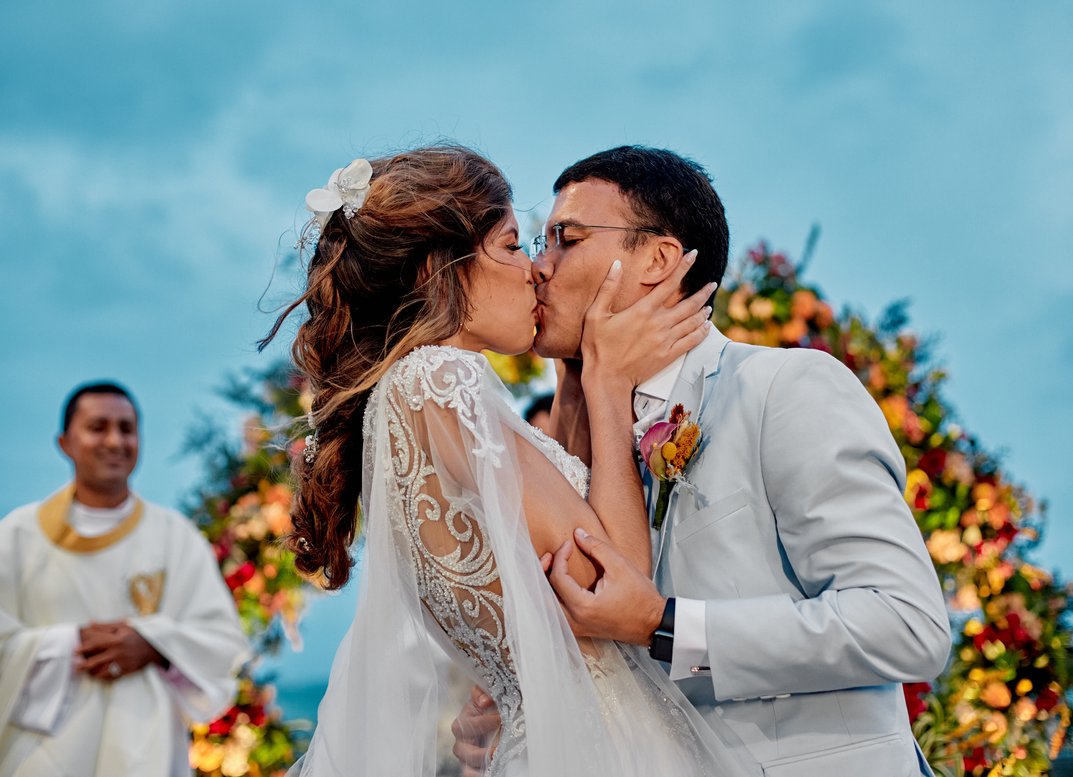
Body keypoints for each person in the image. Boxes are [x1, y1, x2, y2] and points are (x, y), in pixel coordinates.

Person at [455, 146, 952, 776]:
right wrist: (516, 707)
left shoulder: (782, 389)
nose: (538, 268)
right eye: (535, 244)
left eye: (564, 238)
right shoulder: (577, 437)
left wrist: (664, 626)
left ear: (658, 260)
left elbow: (905, 624)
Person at [263, 146, 753, 776]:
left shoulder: (427, 401)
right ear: (443, 272)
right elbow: (615, 584)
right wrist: (608, 385)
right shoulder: (436, 382)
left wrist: (578, 377)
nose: (534, 271)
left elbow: (551, 567)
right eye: (513, 245)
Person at [0, 383, 249, 777]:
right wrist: (67, 644)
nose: (115, 440)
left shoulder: (176, 536)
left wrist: (153, 644)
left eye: (127, 429)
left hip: (146, 749)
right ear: (65, 443)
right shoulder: (19, 536)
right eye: (97, 427)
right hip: (39, 753)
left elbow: (223, 641)